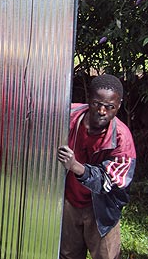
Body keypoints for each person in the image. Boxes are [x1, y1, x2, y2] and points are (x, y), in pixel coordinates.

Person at [57, 74, 136, 259]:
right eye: (96, 104)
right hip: (69, 202)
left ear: (118, 105)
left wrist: (76, 166)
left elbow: (110, 183)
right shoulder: (69, 116)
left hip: (101, 210)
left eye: (109, 107)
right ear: (89, 99)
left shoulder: (122, 141)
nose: (102, 111)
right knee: (67, 254)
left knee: (105, 255)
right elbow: (37, 115)